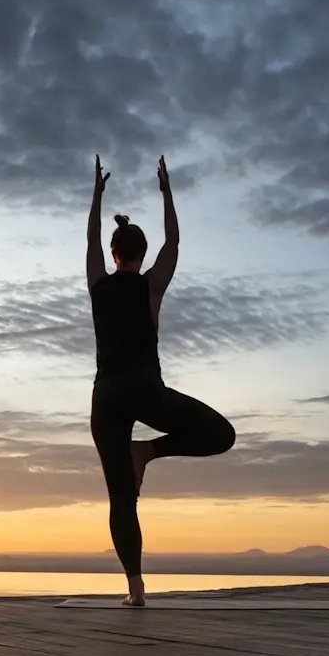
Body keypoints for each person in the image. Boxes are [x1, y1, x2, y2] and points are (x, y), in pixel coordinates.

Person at [87, 154, 235, 606]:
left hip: (107, 397)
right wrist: (167, 193)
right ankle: (148, 451)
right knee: (220, 434)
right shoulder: (152, 287)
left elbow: (90, 240)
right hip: (146, 390)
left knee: (121, 501)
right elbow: (175, 240)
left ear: (114, 254)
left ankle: (135, 591)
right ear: (142, 254)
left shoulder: (97, 282)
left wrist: (96, 197)